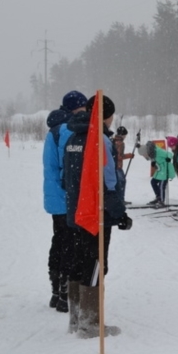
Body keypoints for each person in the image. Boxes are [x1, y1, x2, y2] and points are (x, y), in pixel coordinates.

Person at [63, 94, 131, 338]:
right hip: (94, 214)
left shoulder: (73, 136)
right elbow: (109, 182)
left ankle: (77, 319)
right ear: (107, 116)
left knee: (78, 261)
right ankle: (90, 324)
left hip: (76, 211)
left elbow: (66, 177)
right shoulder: (99, 139)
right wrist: (119, 213)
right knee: (95, 264)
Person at [42, 90, 87, 312]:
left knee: (59, 241)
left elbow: (49, 165)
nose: (84, 111)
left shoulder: (53, 132)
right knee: (70, 243)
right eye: (81, 108)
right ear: (73, 109)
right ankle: (64, 293)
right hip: (67, 195)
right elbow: (69, 165)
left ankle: (55, 291)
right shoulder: (70, 130)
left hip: (55, 196)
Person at [146, 139, 176, 209]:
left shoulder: (158, 151)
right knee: (153, 182)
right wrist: (153, 162)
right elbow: (153, 159)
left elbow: (170, 154)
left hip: (165, 170)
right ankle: (158, 197)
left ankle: (162, 201)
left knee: (161, 186)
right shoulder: (152, 152)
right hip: (159, 170)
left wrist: (168, 158)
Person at [112, 126, 134, 203]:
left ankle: (118, 199)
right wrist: (129, 155)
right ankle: (121, 200)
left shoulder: (112, 140)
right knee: (122, 182)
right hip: (117, 166)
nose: (125, 137)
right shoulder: (120, 143)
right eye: (125, 135)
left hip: (112, 165)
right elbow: (118, 156)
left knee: (117, 182)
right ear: (122, 135)